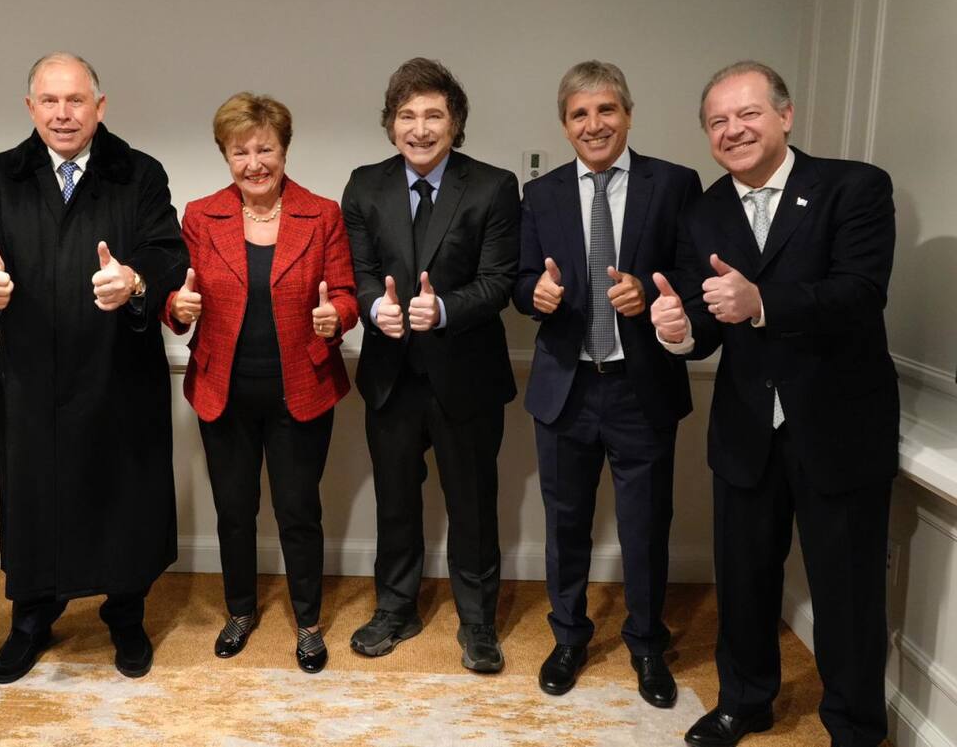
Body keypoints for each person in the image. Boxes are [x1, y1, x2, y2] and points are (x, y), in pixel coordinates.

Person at [651, 61, 897, 747]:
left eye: (748, 113)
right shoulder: (702, 211)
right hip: (745, 431)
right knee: (744, 581)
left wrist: (763, 303)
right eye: (718, 121)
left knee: (847, 595)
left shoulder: (854, 187)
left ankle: (854, 726)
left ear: (785, 116)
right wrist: (677, 331)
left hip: (840, 428)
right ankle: (745, 702)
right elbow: (703, 325)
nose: (734, 130)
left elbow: (858, 294)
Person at [0, 52, 189, 683]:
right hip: (34, 374)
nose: (63, 113)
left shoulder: (139, 173)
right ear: (31, 108)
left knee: (125, 497)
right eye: (50, 101)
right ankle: (33, 616)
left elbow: (167, 252)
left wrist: (135, 279)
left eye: (76, 100)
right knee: (37, 497)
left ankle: (125, 614)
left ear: (100, 107)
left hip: (119, 372)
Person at [513, 61, 702, 705]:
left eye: (606, 111)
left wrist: (648, 295)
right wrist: (533, 294)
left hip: (639, 386)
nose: (593, 125)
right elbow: (518, 281)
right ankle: (568, 637)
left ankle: (648, 645)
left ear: (627, 113)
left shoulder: (675, 184)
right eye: (579, 114)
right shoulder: (539, 195)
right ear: (564, 125)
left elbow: (691, 276)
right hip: (566, 387)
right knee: (565, 522)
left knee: (645, 525)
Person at [163, 93, 358, 674]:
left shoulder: (321, 214)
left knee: (299, 510)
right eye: (240, 151)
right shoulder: (201, 215)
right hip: (222, 391)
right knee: (234, 510)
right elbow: (177, 300)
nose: (254, 162)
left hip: (302, 388)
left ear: (285, 150)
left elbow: (346, 294)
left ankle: (308, 622)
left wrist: (337, 317)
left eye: (265, 149)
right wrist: (179, 305)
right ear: (225, 154)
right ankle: (240, 611)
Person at [342, 57, 520, 673]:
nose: (420, 128)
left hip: (465, 376)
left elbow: (499, 281)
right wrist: (373, 309)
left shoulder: (494, 186)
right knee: (395, 502)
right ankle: (396, 608)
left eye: (434, 115)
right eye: (407, 115)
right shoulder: (364, 185)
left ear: (456, 122)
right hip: (390, 377)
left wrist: (442, 309)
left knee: (472, 504)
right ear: (391, 123)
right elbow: (361, 274)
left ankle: (477, 624)